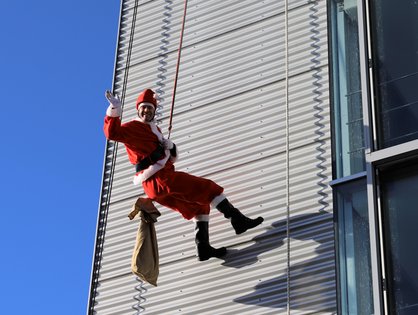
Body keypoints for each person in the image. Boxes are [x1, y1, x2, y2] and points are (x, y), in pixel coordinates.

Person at [103, 89, 264, 261]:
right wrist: (115, 109)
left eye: (150, 108)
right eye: (143, 107)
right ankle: (237, 220)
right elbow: (112, 134)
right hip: (159, 179)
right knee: (209, 189)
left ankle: (203, 248)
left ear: (154, 111)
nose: (147, 111)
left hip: (156, 186)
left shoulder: (154, 129)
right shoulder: (132, 128)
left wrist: (170, 147)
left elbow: (168, 159)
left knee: (200, 207)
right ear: (138, 109)